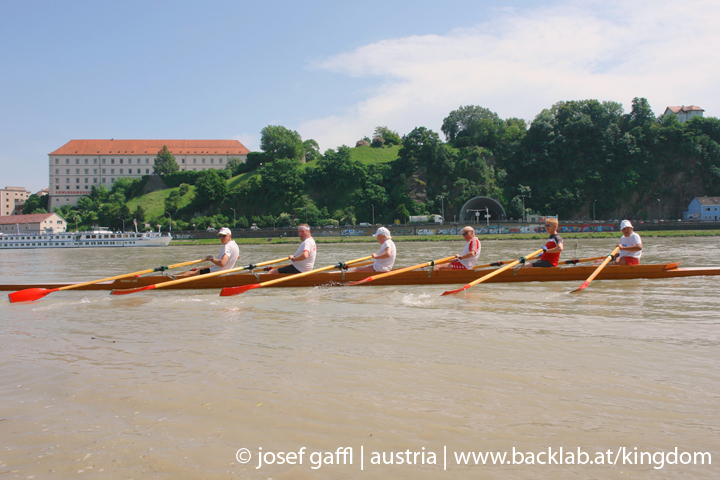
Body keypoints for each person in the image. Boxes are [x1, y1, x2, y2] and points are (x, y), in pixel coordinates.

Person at [175, 227, 240, 278]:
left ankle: (175, 283)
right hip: (223, 273)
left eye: (224, 236)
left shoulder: (227, 246)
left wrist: (211, 259)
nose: (221, 238)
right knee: (195, 271)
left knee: (188, 273)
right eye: (220, 236)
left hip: (214, 272)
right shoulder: (235, 245)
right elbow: (238, 256)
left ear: (230, 236)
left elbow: (222, 263)